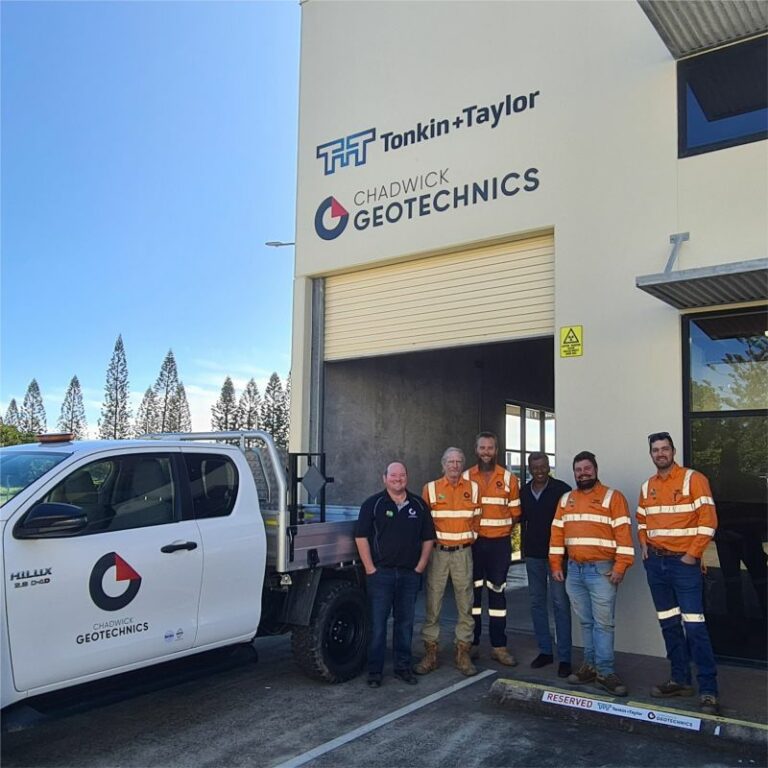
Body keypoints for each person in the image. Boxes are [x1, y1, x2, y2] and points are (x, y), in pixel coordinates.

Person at [637, 431, 720, 714]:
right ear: (651, 454)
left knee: (695, 627)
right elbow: (641, 521)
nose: (660, 454)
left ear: (673, 451)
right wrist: (645, 547)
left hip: (683, 566)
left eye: (665, 449)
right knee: (669, 625)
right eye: (655, 450)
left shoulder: (693, 479)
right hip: (656, 565)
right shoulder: (647, 486)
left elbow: (709, 521)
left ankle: (708, 689)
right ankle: (680, 679)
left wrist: (691, 555)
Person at [549, 451, 634, 696]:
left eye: (587, 468)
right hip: (574, 571)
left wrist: (620, 566)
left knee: (603, 624)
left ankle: (605, 672)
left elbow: (624, 536)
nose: (583, 473)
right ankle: (590, 666)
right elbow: (557, 535)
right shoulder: (566, 499)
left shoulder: (612, 497)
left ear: (596, 470)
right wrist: (556, 565)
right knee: (587, 622)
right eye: (578, 469)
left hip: (602, 571)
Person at [355, 461, 436, 688]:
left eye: (402, 475)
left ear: (406, 478)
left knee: (405, 624)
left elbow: (428, 538)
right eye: (393, 475)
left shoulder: (419, 506)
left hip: (410, 575)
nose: (397, 479)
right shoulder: (373, 505)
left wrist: (420, 566)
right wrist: (370, 568)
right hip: (381, 575)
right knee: (378, 625)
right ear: (384, 478)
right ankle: (374, 672)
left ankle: (403, 668)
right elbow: (361, 537)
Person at [415, 447, 480, 677]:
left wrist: (470, 538)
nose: (454, 465)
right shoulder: (430, 489)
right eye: (450, 462)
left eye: (458, 462)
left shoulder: (473, 488)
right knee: (433, 602)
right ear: (442, 465)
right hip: (438, 553)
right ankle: (431, 653)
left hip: (463, 553)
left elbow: (477, 520)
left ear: (462, 465)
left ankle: (463, 653)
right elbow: (423, 524)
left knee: (465, 603)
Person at [462, 431, 520, 666]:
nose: (486, 452)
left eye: (490, 448)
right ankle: (472, 644)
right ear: (476, 450)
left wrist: (501, 532)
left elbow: (515, 513)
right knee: (472, 595)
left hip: (499, 546)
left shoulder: (508, 479)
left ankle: (499, 646)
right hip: (474, 545)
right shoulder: (466, 477)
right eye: (482, 448)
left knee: (497, 595)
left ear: (497, 451)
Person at [520, 452, 573, 677]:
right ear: (530, 469)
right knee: (536, 603)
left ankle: (565, 657)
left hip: (558, 557)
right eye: (535, 467)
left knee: (560, 605)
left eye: (543, 466)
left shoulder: (563, 490)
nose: (539, 471)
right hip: (533, 556)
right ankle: (545, 651)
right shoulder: (523, 492)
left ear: (549, 466)